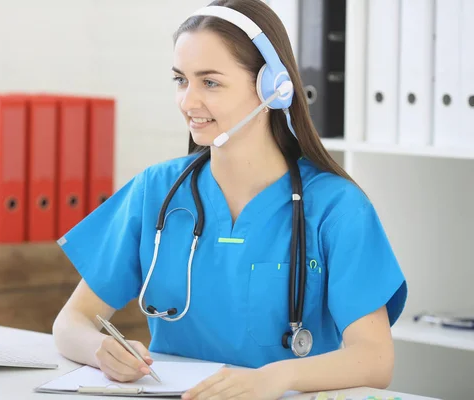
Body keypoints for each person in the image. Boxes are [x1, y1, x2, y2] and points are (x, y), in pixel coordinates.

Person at [52, 0, 407, 398]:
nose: (188, 101)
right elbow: (70, 323)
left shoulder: (335, 207)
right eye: (180, 80)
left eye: (210, 82)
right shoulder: (156, 189)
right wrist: (101, 350)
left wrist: (275, 378)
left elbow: (376, 359)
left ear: (272, 87)